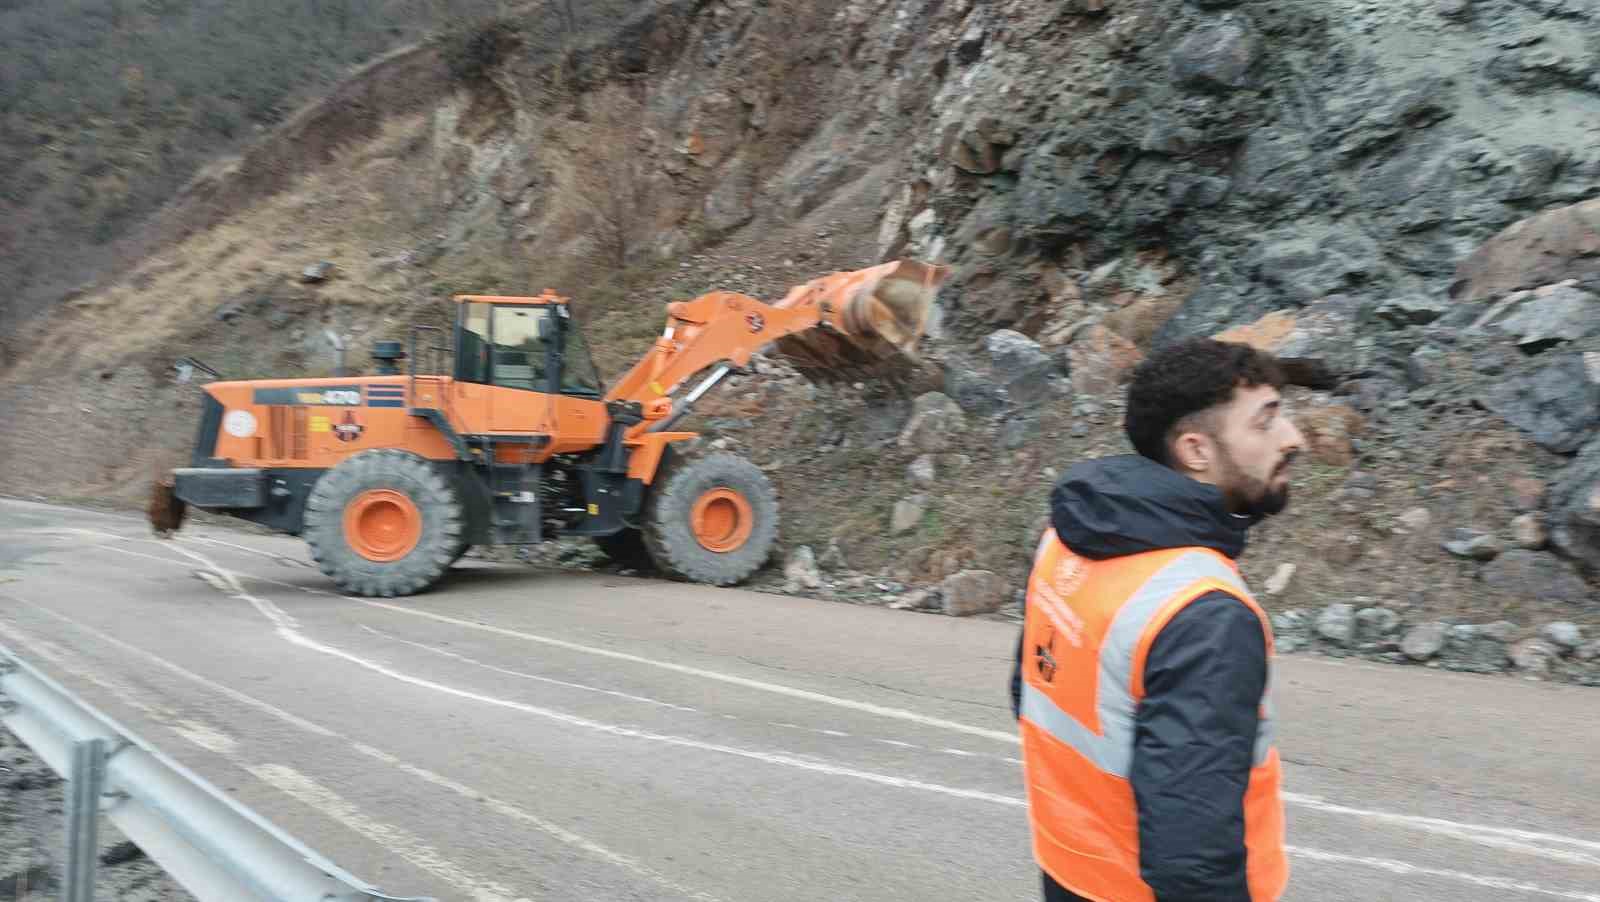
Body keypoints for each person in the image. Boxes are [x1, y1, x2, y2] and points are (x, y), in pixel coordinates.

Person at [1010, 338, 1304, 902]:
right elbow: (1192, 854)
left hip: (1070, 870)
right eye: (1266, 422)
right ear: (1196, 450)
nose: (1293, 438)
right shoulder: (1204, 612)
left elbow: (1032, 689)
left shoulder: (1067, 541)